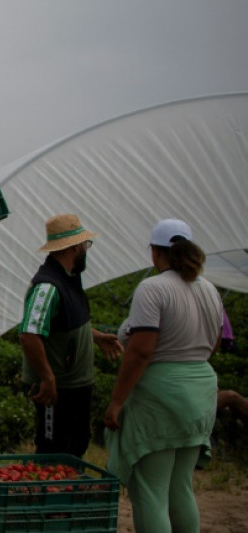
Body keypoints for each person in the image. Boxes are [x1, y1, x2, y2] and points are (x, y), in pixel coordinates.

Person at [104, 218, 223, 533]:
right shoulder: (209, 289)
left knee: (150, 491)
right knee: (180, 488)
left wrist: (117, 401)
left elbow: (141, 350)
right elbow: (214, 343)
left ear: (155, 252)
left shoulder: (153, 287)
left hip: (161, 395)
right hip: (200, 391)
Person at [18, 213, 122, 457]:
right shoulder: (47, 287)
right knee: (54, 452)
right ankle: (51, 495)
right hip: (59, 392)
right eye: (86, 244)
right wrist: (48, 378)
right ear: (75, 248)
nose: (87, 249)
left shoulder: (70, 279)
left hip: (77, 387)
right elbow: (29, 334)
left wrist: (94, 336)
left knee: (76, 447)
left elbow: (61, 324)